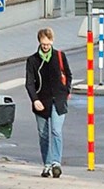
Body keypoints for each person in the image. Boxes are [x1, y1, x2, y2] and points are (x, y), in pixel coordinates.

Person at [26, 27, 75, 177]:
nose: (46, 47)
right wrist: (35, 100)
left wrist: (66, 92)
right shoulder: (33, 60)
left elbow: (68, 74)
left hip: (58, 99)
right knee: (43, 134)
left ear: (52, 41)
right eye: (43, 44)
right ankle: (47, 164)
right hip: (41, 100)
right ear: (39, 42)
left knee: (56, 131)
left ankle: (56, 163)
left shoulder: (59, 56)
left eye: (48, 44)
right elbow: (29, 83)